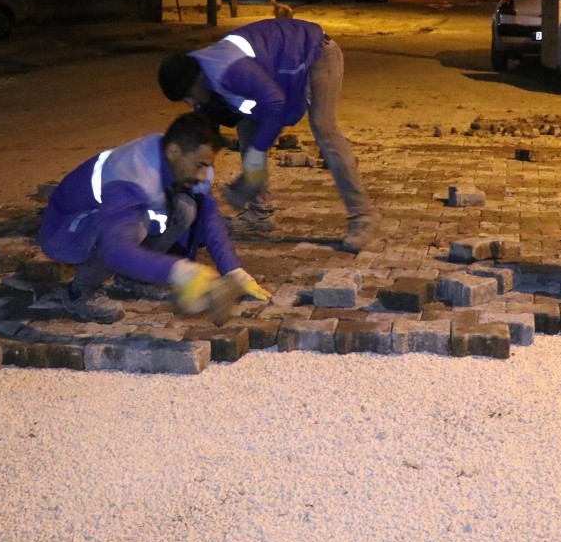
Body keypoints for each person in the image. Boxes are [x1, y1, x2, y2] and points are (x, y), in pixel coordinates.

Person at [157, 18, 377, 253]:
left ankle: (363, 218)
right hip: (278, 67)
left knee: (324, 127)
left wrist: (256, 156)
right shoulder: (197, 73)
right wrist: (181, 182)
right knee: (248, 126)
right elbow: (204, 140)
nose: (190, 103)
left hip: (316, 53)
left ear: (198, 81)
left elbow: (275, 104)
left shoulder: (229, 69)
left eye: (189, 96)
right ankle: (259, 214)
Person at [38, 112, 269, 324]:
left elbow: (209, 217)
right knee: (136, 227)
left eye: (207, 165)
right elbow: (116, 250)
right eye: (199, 165)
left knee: (187, 208)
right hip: (66, 229)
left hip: (112, 216)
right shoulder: (130, 175)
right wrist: (183, 272)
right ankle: (81, 291)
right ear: (175, 152)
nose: (203, 174)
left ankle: (133, 279)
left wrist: (233, 271)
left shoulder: (181, 157)